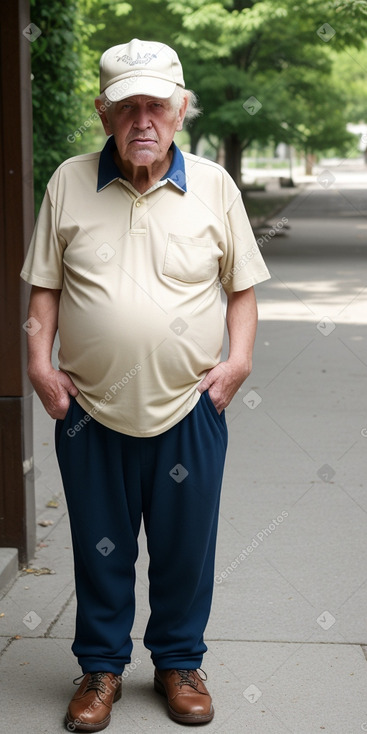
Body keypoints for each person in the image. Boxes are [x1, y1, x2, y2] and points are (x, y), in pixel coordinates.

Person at [21, 38, 270, 732]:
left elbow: (241, 289)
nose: (142, 120)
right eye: (127, 105)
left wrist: (238, 362)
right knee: (99, 542)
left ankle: (176, 663)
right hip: (89, 408)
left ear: (180, 109)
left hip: (189, 405)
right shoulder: (68, 182)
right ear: (103, 113)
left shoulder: (215, 187)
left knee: (186, 546)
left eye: (156, 104)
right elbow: (44, 288)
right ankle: (100, 668)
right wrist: (40, 366)